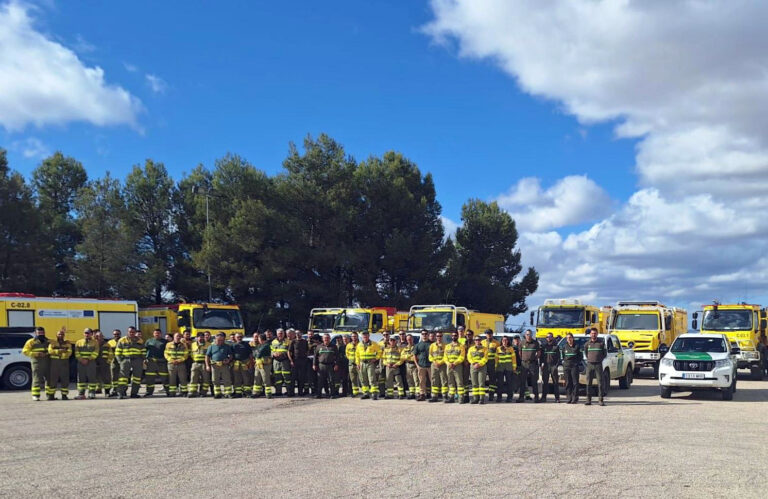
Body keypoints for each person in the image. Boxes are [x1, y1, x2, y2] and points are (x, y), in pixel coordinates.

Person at [115, 326, 146, 399]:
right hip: (126, 360)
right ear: (127, 332)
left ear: (135, 332)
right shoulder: (122, 340)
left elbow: (143, 351)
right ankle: (120, 393)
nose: (131, 333)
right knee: (123, 378)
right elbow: (117, 352)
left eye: (133, 332)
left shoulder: (140, 340)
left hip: (137, 360)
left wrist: (144, 359)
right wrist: (120, 361)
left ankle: (134, 393)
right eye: (130, 332)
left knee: (137, 378)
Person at [22, 326, 51, 401]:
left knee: (49, 379)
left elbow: (52, 350)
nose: (41, 334)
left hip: (47, 362)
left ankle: (49, 395)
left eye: (42, 333)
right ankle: (36, 395)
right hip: (37, 363)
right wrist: (36, 354)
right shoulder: (31, 341)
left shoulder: (48, 341)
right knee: (36, 379)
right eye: (39, 333)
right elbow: (25, 351)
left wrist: (47, 353)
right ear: (35, 333)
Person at [46, 327, 72, 400]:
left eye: (62, 334)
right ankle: (51, 396)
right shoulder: (52, 343)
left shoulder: (67, 343)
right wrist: (60, 351)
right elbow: (50, 351)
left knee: (65, 379)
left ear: (64, 335)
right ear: (56, 335)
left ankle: (64, 395)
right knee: (53, 379)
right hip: (54, 363)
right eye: (59, 334)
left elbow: (69, 352)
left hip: (64, 363)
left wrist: (62, 354)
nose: (60, 335)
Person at [206, 333, 234, 398]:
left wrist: (228, 360)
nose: (220, 342)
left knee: (227, 379)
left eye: (222, 340)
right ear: (215, 339)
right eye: (219, 340)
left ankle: (228, 393)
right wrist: (207, 366)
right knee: (215, 380)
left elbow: (231, 355)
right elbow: (207, 356)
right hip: (214, 365)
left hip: (224, 365)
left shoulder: (227, 346)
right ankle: (217, 393)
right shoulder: (211, 346)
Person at [74, 328, 100, 399]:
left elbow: (96, 352)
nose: (86, 334)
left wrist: (88, 359)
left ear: (91, 334)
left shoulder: (95, 342)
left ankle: (91, 393)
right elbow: (76, 352)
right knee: (81, 378)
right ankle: (81, 393)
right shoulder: (78, 342)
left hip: (91, 362)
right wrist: (81, 359)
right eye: (85, 333)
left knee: (92, 378)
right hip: (81, 362)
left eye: (88, 333)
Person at [356, 331, 382, 400]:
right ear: (362, 336)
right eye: (364, 336)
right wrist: (358, 363)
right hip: (362, 363)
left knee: (372, 378)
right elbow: (357, 355)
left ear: (369, 336)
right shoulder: (359, 344)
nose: (365, 337)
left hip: (370, 363)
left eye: (366, 336)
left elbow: (379, 352)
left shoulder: (374, 344)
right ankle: (366, 393)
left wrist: (375, 358)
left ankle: (374, 393)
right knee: (363, 379)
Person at [585, 328, 607, 406]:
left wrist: (599, 359)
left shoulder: (601, 343)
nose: (593, 335)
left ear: (597, 334)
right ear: (590, 334)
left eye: (595, 333)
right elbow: (586, 353)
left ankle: (600, 400)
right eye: (592, 333)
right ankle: (588, 400)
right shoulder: (587, 344)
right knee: (588, 383)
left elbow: (605, 354)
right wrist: (589, 359)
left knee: (600, 383)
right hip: (590, 365)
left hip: (598, 364)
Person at [143, 329, 168, 397]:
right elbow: (145, 350)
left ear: (161, 334)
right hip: (151, 362)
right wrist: (145, 358)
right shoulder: (149, 341)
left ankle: (168, 391)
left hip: (162, 362)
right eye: (155, 333)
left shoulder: (165, 342)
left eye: (158, 333)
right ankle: (149, 392)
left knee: (165, 377)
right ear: (153, 334)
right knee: (150, 378)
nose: (157, 334)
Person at [313, 333, 339, 398]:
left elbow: (337, 357)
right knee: (320, 380)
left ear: (330, 339)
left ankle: (332, 394)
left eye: (327, 338)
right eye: (325, 338)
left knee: (331, 380)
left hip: (330, 365)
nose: (326, 339)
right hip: (321, 365)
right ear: (322, 339)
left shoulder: (334, 347)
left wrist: (336, 365)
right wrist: (314, 364)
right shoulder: (319, 347)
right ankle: (319, 394)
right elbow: (315, 357)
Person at [519, 330, 541, 403]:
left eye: (530, 334)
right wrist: (523, 359)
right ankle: (521, 397)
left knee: (534, 381)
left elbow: (539, 353)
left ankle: (536, 398)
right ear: (525, 335)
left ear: (532, 335)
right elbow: (520, 353)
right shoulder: (522, 342)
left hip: (532, 364)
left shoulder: (535, 343)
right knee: (522, 381)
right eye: (527, 334)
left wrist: (534, 359)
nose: (528, 336)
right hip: (524, 364)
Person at [443, 332, 466, 403]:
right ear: (451, 337)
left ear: (457, 337)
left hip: (457, 366)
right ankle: (451, 397)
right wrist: (448, 363)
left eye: (455, 335)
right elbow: (445, 356)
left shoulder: (461, 346)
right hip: (449, 366)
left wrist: (455, 363)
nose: (454, 337)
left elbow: (462, 357)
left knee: (459, 381)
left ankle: (461, 397)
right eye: (452, 336)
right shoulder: (447, 346)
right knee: (450, 382)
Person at [164, 333, 189, 397]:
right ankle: (172, 393)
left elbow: (186, 354)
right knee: (172, 379)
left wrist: (179, 360)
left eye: (179, 336)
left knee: (183, 379)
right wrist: (171, 360)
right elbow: (166, 354)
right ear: (174, 337)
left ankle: (184, 392)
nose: (178, 337)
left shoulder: (184, 345)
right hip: (171, 364)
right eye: (177, 336)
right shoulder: (168, 344)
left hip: (181, 364)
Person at [467, 336, 489, 404]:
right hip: (473, 367)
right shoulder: (471, 349)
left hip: (481, 367)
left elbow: (485, 358)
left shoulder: (485, 349)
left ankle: (482, 399)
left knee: (481, 383)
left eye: (479, 340)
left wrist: (479, 364)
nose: (477, 341)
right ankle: (475, 398)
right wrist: (473, 363)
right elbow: (469, 357)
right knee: (474, 384)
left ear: (480, 341)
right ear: (474, 341)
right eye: (476, 340)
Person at [188, 333, 211, 397]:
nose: (201, 338)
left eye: (202, 337)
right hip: (195, 363)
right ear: (197, 338)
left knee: (205, 379)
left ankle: (203, 392)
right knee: (193, 378)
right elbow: (191, 353)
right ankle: (192, 392)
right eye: (199, 337)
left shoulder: (209, 345)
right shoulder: (193, 344)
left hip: (204, 363)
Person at [271, 329, 293, 396]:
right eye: (279, 333)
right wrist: (273, 354)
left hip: (285, 361)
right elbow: (271, 350)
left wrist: (282, 354)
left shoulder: (288, 341)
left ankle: (289, 392)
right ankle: (278, 392)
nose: (280, 334)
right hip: (276, 361)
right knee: (277, 377)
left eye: (281, 333)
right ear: (277, 334)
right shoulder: (273, 341)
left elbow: (290, 351)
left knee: (287, 377)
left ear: (284, 334)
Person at [540, 332, 561, 403]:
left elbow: (559, 358)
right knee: (545, 383)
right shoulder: (544, 347)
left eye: (550, 336)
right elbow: (541, 357)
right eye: (547, 337)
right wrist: (541, 364)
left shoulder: (556, 347)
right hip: (545, 366)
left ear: (552, 337)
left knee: (555, 382)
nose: (548, 338)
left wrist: (556, 366)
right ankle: (543, 398)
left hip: (553, 366)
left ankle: (557, 398)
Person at [231, 333, 254, 398]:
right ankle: (238, 393)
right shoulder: (233, 345)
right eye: (238, 337)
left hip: (245, 363)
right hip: (236, 363)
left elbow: (250, 355)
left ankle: (247, 392)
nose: (239, 338)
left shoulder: (246, 345)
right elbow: (231, 355)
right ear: (235, 338)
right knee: (237, 378)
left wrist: (251, 363)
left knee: (246, 378)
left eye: (240, 337)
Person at [562, 332, 582, 404]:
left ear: (572, 338)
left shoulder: (577, 346)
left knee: (575, 383)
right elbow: (563, 356)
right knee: (568, 382)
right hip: (566, 367)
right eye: (567, 338)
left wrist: (576, 363)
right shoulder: (565, 347)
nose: (569, 339)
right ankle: (569, 397)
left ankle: (575, 398)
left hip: (574, 366)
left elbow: (580, 356)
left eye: (570, 338)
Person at [496, 336, 517, 402]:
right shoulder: (498, 349)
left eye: (506, 340)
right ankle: (499, 397)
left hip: (509, 368)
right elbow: (496, 359)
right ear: (501, 341)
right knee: (500, 383)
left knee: (509, 383)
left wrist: (514, 368)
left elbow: (514, 359)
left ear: (508, 341)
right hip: (500, 368)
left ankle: (509, 397)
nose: (504, 341)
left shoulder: (511, 349)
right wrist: (495, 367)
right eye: (503, 340)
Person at [252, 333, 273, 398]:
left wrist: (256, 353)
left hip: (264, 365)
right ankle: (256, 393)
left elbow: (258, 354)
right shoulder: (259, 345)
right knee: (257, 378)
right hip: (258, 364)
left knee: (265, 379)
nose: (258, 340)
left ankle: (268, 394)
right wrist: (256, 353)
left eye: (258, 338)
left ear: (261, 339)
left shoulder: (266, 345)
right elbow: (254, 354)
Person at [428, 332, 448, 402]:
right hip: (434, 365)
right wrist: (434, 362)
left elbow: (446, 356)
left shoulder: (445, 346)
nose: (439, 337)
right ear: (435, 337)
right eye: (437, 336)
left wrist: (440, 362)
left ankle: (445, 395)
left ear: (442, 337)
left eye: (440, 336)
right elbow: (430, 355)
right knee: (434, 380)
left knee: (444, 380)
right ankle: (434, 396)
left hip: (442, 365)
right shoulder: (432, 345)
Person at [413, 330, 432, 402]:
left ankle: (433, 394)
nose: (424, 335)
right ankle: (422, 395)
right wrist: (417, 365)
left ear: (428, 335)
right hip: (421, 365)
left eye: (426, 334)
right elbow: (414, 355)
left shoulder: (432, 344)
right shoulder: (418, 345)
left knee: (432, 380)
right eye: (423, 334)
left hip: (430, 365)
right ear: (421, 335)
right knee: (421, 381)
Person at [481, 329, 500, 401]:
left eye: (490, 333)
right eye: (487, 333)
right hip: (484, 363)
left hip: (492, 363)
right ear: (485, 335)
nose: (488, 335)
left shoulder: (496, 343)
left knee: (492, 380)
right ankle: (482, 396)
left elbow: (498, 353)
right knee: (482, 379)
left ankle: (491, 395)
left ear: (492, 334)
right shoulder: (482, 342)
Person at [94, 330, 114, 396]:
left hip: (104, 363)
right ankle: (98, 389)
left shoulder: (107, 345)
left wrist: (108, 362)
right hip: (95, 363)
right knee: (96, 377)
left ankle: (107, 392)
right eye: (97, 336)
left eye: (101, 336)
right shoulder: (93, 344)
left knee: (106, 378)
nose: (99, 337)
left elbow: (111, 354)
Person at [290, 330, 310, 396]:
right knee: (293, 377)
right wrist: (291, 360)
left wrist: (305, 358)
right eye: (296, 333)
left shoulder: (305, 342)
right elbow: (289, 352)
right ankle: (292, 392)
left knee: (301, 377)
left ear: (301, 334)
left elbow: (307, 351)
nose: (298, 334)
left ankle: (300, 392)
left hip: (303, 361)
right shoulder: (293, 341)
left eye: (299, 333)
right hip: (295, 361)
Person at [400, 334, 419, 399]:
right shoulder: (405, 348)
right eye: (408, 339)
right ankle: (412, 393)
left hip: (415, 365)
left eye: (410, 339)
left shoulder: (416, 347)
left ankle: (418, 393)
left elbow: (418, 356)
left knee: (416, 380)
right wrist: (409, 356)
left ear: (413, 339)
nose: (409, 340)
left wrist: (409, 357)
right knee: (409, 380)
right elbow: (402, 357)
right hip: (407, 365)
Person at [107, 329, 122, 398]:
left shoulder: (122, 341)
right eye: (115, 334)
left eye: (118, 334)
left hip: (122, 361)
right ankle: (114, 390)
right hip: (113, 361)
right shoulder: (110, 342)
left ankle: (121, 390)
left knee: (122, 376)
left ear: (120, 334)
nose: (116, 335)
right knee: (113, 377)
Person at [345, 333, 362, 397]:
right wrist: (351, 360)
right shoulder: (348, 345)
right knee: (353, 379)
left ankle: (365, 392)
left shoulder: (361, 344)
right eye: (352, 336)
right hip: (351, 364)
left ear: (357, 337)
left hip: (359, 364)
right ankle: (355, 392)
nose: (354, 337)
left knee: (362, 379)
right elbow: (347, 354)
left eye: (355, 336)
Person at [461, 330, 475, 404]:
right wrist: (464, 361)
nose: (468, 336)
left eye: (469, 334)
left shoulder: (475, 343)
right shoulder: (463, 343)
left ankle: (475, 397)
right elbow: (462, 353)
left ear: (472, 335)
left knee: (474, 380)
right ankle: (466, 396)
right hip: (465, 364)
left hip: (473, 363)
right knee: (465, 381)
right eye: (467, 334)